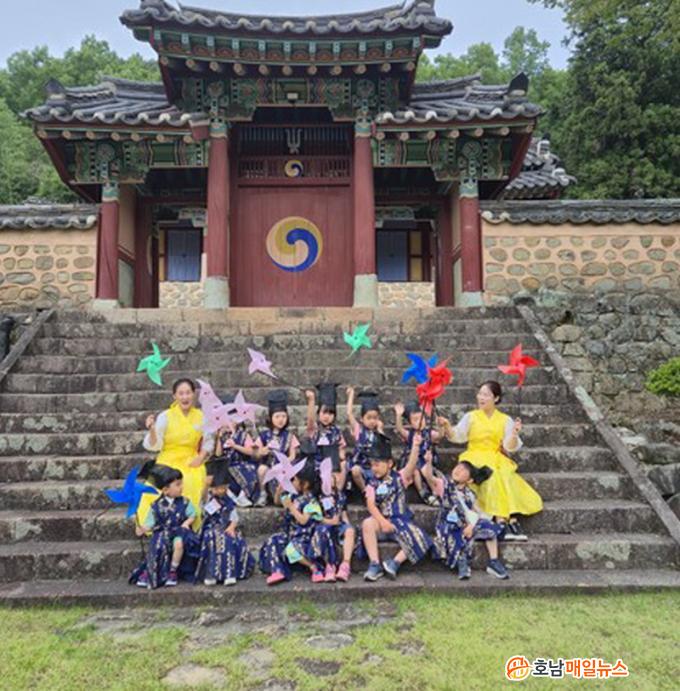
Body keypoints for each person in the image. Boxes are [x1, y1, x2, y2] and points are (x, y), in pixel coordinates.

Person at [438, 381, 542, 541]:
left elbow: (509, 446)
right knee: (492, 477)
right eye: (480, 394)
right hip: (474, 455)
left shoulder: (505, 419)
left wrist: (514, 434)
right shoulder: (471, 417)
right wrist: (447, 426)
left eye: (486, 395)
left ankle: (505, 520)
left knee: (504, 476)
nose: (481, 397)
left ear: (496, 398)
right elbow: (457, 436)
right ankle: (504, 520)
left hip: (495, 456)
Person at [138, 378, 214, 528]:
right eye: (181, 393)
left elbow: (208, 441)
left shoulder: (201, 416)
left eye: (188, 393)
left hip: (191, 459)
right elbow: (155, 445)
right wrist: (152, 430)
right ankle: (155, 525)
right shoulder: (165, 416)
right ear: (174, 396)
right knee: (154, 487)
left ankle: (189, 524)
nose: (185, 397)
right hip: (167, 459)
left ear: (194, 394)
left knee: (190, 482)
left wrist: (201, 457)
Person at [361, 432, 433, 582]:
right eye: (372, 465)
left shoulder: (400, 477)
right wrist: (382, 522)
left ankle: (394, 563)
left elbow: (411, 465)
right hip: (381, 521)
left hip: (400, 521)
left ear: (389, 463)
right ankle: (374, 563)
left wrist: (415, 446)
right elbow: (371, 505)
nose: (374, 468)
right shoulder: (371, 483)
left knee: (420, 536)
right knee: (367, 524)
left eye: (377, 464)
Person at [423, 457, 509, 580]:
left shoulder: (470, 494)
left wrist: (471, 526)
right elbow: (428, 476)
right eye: (458, 467)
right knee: (453, 532)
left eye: (463, 470)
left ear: (470, 480)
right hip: (449, 523)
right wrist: (428, 462)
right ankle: (461, 561)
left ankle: (494, 561)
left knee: (489, 527)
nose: (458, 470)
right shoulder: (444, 485)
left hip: (467, 523)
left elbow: (474, 512)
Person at [131, 464, 198, 589]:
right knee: (157, 545)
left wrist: (187, 523)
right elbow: (150, 523)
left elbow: (192, 514)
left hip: (178, 531)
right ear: (166, 490)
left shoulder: (185, 502)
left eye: (181, 484)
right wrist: (142, 529)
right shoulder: (156, 505)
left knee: (178, 544)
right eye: (177, 485)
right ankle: (151, 570)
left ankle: (173, 570)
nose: (181, 487)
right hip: (162, 532)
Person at [259, 459, 325, 585]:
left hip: (304, 537)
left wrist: (292, 507)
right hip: (290, 534)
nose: (292, 482)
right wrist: (280, 488)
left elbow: (303, 521)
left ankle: (313, 567)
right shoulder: (293, 496)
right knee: (273, 541)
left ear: (305, 484)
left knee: (291, 549)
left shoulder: (311, 501)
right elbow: (278, 501)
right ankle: (278, 570)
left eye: (294, 479)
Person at [195, 464, 255, 586]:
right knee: (213, 537)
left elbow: (234, 517)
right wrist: (206, 485)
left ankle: (229, 573)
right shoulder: (208, 498)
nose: (220, 491)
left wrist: (232, 527)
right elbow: (203, 498)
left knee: (229, 539)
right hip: (211, 527)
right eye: (216, 489)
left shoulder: (229, 500)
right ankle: (212, 574)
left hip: (227, 527)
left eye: (222, 488)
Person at [310, 445, 356, 583]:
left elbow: (344, 515)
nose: (332, 478)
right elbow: (314, 517)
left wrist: (347, 525)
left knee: (350, 530)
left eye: (335, 475)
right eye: (328, 475)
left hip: (338, 524)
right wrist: (329, 521)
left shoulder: (340, 496)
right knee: (324, 532)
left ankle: (345, 565)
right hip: (324, 524)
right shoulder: (316, 497)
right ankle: (329, 565)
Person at [254, 390, 300, 507]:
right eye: (277, 416)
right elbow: (256, 453)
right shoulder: (264, 435)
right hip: (269, 468)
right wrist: (262, 451)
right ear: (271, 418)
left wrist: (283, 463)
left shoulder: (290, 436)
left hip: (284, 468)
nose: (281, 419)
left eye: (284, 416)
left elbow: (293, 456)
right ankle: (263, 493)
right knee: (261, 469)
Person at [394, 400, 443, 506]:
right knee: (415, 471)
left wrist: (440, 425)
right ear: (410, 423)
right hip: (412, 460)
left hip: (426, 460)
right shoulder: (410, 434)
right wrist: (398, 415)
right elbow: (400, 429)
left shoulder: (429, 433)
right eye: (415, 420)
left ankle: (435, 490)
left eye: (422, 418)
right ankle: (423, 492)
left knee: (425, 470)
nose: (420, 422)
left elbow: (440, 435)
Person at [215, 413, 257, 508]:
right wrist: (219, 438)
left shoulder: (244, 434)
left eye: (232, 420)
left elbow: (250, 451)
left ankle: (243, 495)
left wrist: (235, 446)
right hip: (227, 464)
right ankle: (232, 495)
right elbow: (218, 454)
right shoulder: (224, 435)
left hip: (241, 462)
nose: (230, 422)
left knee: (250, 469)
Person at [346, 388, 384, 493]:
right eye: (369, 418)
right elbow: (349, 414)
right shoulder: (359, 430)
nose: (372, 421)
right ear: (362, 419)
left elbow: (383, 447)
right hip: (361, 465)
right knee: (355, 471)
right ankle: (364, 491)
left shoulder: (378, 432)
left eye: (375, 418)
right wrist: (351, 396)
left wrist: (380, 430)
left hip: (374, 466)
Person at [305, 383, 347, 477]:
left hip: (333, 468)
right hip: (316, 467)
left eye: (330, 413)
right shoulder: (314, 429)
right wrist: (311, 400)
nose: (327, 416)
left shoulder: (337, 432)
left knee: (343, 466)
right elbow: (310, 419)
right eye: (324, 412)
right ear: (318, 413)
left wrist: (341, 456)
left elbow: (341, 452)